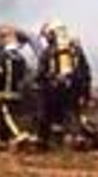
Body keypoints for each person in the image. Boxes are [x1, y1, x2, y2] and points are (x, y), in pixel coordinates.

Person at [35, 21, 92, 150]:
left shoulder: (49, 51)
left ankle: (45, 142)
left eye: (47, 36)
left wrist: (39, 84)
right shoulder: (76, 49)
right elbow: (85, 71)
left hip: (53, 89)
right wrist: (85, 92)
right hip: (74, 88)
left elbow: (41, 73)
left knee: (48, 115)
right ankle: (80, 138)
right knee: (74, 114)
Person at [0, 25, 34, 149]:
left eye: (1, 37)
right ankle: (3, 138)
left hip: (2, 92)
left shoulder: (1, 56)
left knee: (6, 114)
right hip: (15, 91)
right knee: (5, 116)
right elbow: (23, 74)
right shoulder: (20, 57)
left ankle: (19, 135)